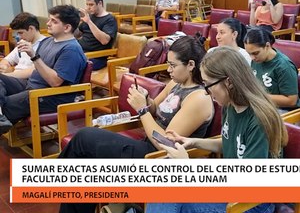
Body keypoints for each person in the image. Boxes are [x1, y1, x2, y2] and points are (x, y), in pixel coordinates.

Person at [58, 36, 213, 213]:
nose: (168, 69)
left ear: (191, 65)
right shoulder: (176, 83)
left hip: (159, 157)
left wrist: (142, 111)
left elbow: (166, 142)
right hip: (146, 146)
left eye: (173, 65)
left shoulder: (199, 97)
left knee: (84, 138)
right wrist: (146, 99)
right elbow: (155, 107)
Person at [146, 46, 288, 213]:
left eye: (208, 85)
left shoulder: (258, 120)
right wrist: (194, 142)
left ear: (228, 82)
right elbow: (230, 142)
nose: (206, 92)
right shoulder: (229, 105)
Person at [0, 5, 87, 134]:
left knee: (6, 105)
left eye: (54, 21)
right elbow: (37, 68)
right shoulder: (48, 41)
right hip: (32, 86)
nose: (48, 23)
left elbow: (55, 82)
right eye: (49, 19)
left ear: (67, 27)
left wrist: (34, 56)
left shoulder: (71, 49)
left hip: (49, 96)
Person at [244, 27, 300, 112]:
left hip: (283, 110)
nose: (252, 57)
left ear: (267, 46)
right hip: (262, 105)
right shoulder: (257, 60)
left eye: (255, 53)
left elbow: (291, 100)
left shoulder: (284, 66)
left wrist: (258, 96)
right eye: (249, 54)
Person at [75, 0, 117, 70]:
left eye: (91, 5)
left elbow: (104, 40)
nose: (88, 7)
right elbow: (78, 34)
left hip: (96, 57)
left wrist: (89, 22)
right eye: (87, 4)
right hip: (81, 52)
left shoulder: (109, 19)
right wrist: (74, 22)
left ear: (100, 3)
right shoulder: (90, 16)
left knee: (68, 64)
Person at [0, 12, 46, 79]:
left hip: (26, 81)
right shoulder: (23, 43)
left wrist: (8, 75)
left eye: (21, 33)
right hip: (13, 78)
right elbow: (6, 60)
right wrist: (5, 67)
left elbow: (34, 71)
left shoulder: (45, 45)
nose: (19, 37)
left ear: (31, 29)